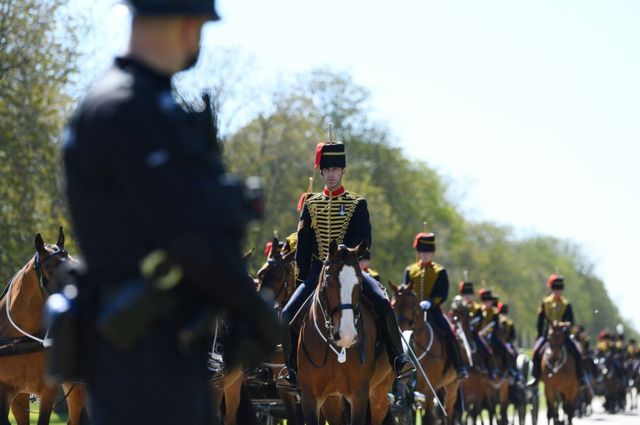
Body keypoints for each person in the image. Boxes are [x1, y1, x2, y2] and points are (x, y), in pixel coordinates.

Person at [61, 1, 280, 423]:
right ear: (185, 23)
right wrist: (252, 310)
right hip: (144, 363)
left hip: (163, 353)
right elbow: (187, 236)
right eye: (200, 25)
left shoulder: (141, 103)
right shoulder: (129, 109)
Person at [277, 141, 415, 391]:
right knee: (286, 314)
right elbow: (305, 245)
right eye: (327, 170)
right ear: (321, 172)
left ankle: (397, 358)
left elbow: (365, 239)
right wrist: (301, 278)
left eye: (336, 169)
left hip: (351, 271)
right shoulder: (311, 204)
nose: (331, 174)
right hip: (319, 272)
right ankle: (292, 371)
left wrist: (346, 255)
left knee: (383, 305)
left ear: (343, 171)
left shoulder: (356, 203)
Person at [402, 232, 468, 380]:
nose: (425, 255)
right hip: (412, 312)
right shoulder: (410, 270)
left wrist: (430, 302)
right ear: (418, 252)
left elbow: (442, 293)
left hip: (432, 310)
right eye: (422, 252)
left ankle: (459, 367)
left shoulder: (440, 271)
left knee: (450, 333)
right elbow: (405, 290)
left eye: (428, 252)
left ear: (432, 253)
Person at [527, 274, 583, 387]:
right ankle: (535, 376)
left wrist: (562, 324)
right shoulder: (545, 303)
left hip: (563, 335)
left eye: (559, 289)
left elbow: (571, 321)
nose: (557, 291)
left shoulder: (566, 304)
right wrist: (539, 335)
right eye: (555, 289)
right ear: (551, 289)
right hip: (548, 335)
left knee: (577, 352)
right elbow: (540, 321)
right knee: (536, 352)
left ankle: (580, 377)